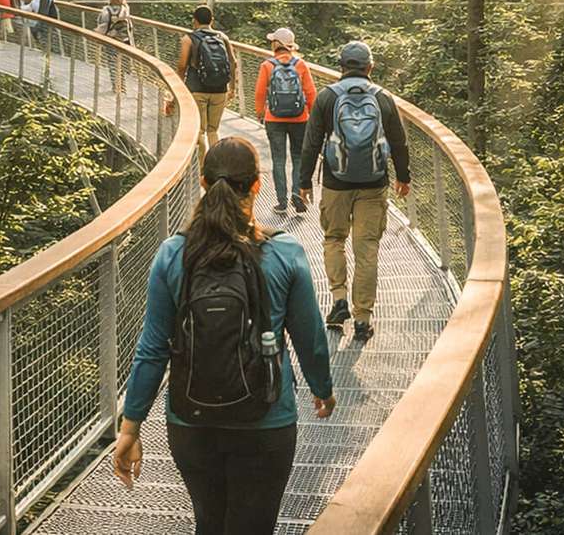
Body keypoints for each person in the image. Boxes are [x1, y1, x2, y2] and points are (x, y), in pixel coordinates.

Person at [112, 138, 335, 534]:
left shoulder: (172, 254)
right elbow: (310, 336)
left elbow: (152, 348)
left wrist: (131, 427)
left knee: (209, 523)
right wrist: (322, 387)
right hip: (266, 418)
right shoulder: (284, 253)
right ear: (256, 185)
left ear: (202, 181)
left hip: (191, 421)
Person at [297, 40, 411, 344]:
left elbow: (311, 143)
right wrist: (404, 176)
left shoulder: (327, 97)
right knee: (367, 249)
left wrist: (304, 180)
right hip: (374, 184)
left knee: (334, 238)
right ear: (370, 67)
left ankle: (338, 300)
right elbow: (399, 142)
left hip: (336, 182)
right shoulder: (384, 98)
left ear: (341, 67)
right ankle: (363, 319)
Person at [254, 28, 316, 214]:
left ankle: (281, 202)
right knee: (298, 157)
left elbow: (259, 93)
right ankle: (297, 195)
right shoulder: (301, 64)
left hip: (274, 118)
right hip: (300, 118)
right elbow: (311, 93)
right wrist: (312, 115)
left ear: (275, 44)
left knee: (278, 160)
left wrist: (260, 113)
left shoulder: (267, 65)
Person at [173, 5, 235, 157]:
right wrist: (232, 87)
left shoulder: (189, 39)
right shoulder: (222, 38)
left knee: (199, 130)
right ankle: (215, 165)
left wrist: (177, 88)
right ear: (212, 20)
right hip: (220, 90)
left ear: (194, 21)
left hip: (196, 89)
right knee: (213, 130)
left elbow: (182, 66)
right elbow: (233, 63)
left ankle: (203, 170)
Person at [97, 0, 136, 94]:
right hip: (124, 41)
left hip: (110, 40)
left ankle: (116, 86)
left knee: (112, 63)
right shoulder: (125, 10)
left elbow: (102, 24)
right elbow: (129, 27)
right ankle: (122, 86)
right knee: (122, 64)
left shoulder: (106, 10)